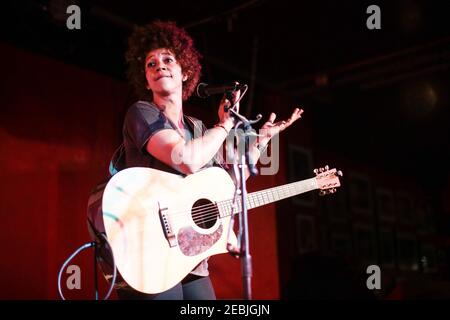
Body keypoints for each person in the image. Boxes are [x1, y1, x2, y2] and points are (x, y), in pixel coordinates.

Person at [108, 20, 303, 300]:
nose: (159, 66)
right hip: (150, 251)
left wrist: (261, 141)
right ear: (146, 78)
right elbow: (184, 158)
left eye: (167, 60)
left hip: (191, 258)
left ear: (185, 72)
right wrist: (223, 126)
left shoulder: (196, 127)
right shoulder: (142, 113)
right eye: (150, 63)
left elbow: (227, 184)